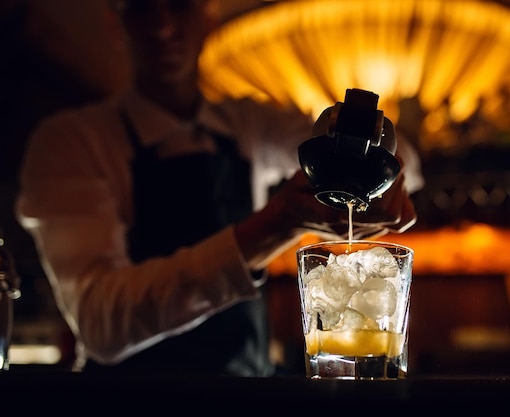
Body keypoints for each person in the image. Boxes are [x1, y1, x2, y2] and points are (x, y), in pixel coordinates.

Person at [14, 0, 423, 375]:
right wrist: (274, 227)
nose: (162, 26)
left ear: (208, 13)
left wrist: (364, 159)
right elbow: (101, 324)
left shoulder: (246, 124)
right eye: (141, 8)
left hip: (247, 393)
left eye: (178, 5)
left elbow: (409, 159)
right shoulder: (71, 142)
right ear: (113, 19)